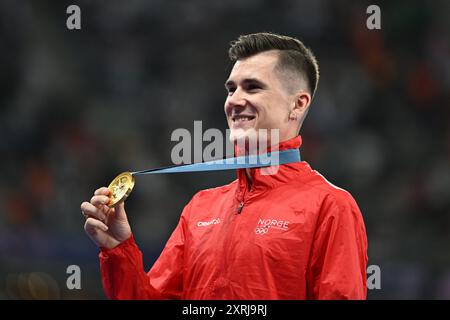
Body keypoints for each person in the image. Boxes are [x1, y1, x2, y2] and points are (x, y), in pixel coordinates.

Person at [80, 32, 368, 300]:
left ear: (298, 104)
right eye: (231, 89)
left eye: (253, 87)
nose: (235, 100)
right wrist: (118, 249)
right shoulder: (200, 208)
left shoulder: (330, 206)